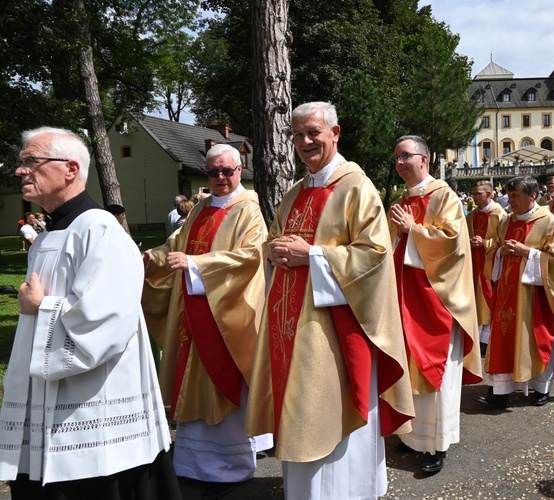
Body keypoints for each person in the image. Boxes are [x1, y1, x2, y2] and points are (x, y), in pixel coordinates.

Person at [245, 102, 414, 499]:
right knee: (300, 415)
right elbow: (274, 241)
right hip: (291, 330)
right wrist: (274, 252)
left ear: (334, 133)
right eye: (298, 135)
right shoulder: (294, 194)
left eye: (313, 133)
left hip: (336, 335)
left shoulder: (357, 187)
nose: (305, 142)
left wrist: (314, 255)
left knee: (333, 418)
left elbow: (374, 256)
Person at [0, 127, 177, 498]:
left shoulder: (100, 230)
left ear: (70, 169)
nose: (20, 170)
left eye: (31, 161)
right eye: (21, 162)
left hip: (93, 407)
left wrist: (39, 307)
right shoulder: (51, 233)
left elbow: (107, 321)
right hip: (52, 398)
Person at [143, 144, 272, 493]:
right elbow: (175, 246)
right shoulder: (201, 207)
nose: (220, 178)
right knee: (190, 379)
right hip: (191, 312)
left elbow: (250, 257)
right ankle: (192, 462)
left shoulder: (249, 210)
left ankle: (229, 464)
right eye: (213, 171)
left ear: (240, 169)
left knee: (222, 381)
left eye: (227, 171)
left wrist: (197, 265)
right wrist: (152, 259)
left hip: (224, 315)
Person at [389, 135, 482, 473]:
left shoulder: (444, 197)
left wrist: (412, 230)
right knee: (409, 366)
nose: (400, 163)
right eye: (396, 158)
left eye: (405, 156)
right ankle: (413, 436)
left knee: (438, 373)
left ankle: (436, 445)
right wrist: (399, 232)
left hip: (437, 301)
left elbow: (452, 248)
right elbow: (391, 245)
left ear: (424, 159)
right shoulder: (405, 199)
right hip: (406, 298)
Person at [477, 176, 554, 409]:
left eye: (516, 196)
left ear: (532, 196)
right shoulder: (505, 222)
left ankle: (541, 388)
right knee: (503, 340)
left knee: (536, 338)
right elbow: (493, 251)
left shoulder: (550, 223)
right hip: (507, 294)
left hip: (535, 297)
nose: (511, 200)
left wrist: (528, 252)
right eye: (509, 195)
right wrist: (499, 253)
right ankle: (500, 391)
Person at [467, 180, 508, 354]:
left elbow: (504, 241)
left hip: (491, 263)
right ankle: (476, 338)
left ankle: (487, 340)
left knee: (488, 298)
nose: (474, 197)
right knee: (474, 299)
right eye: (474, 193)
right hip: (472, 263)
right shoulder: (470, 216)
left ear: (489, 194)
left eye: (478, 194)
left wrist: (484, 242)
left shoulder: (500, 214)